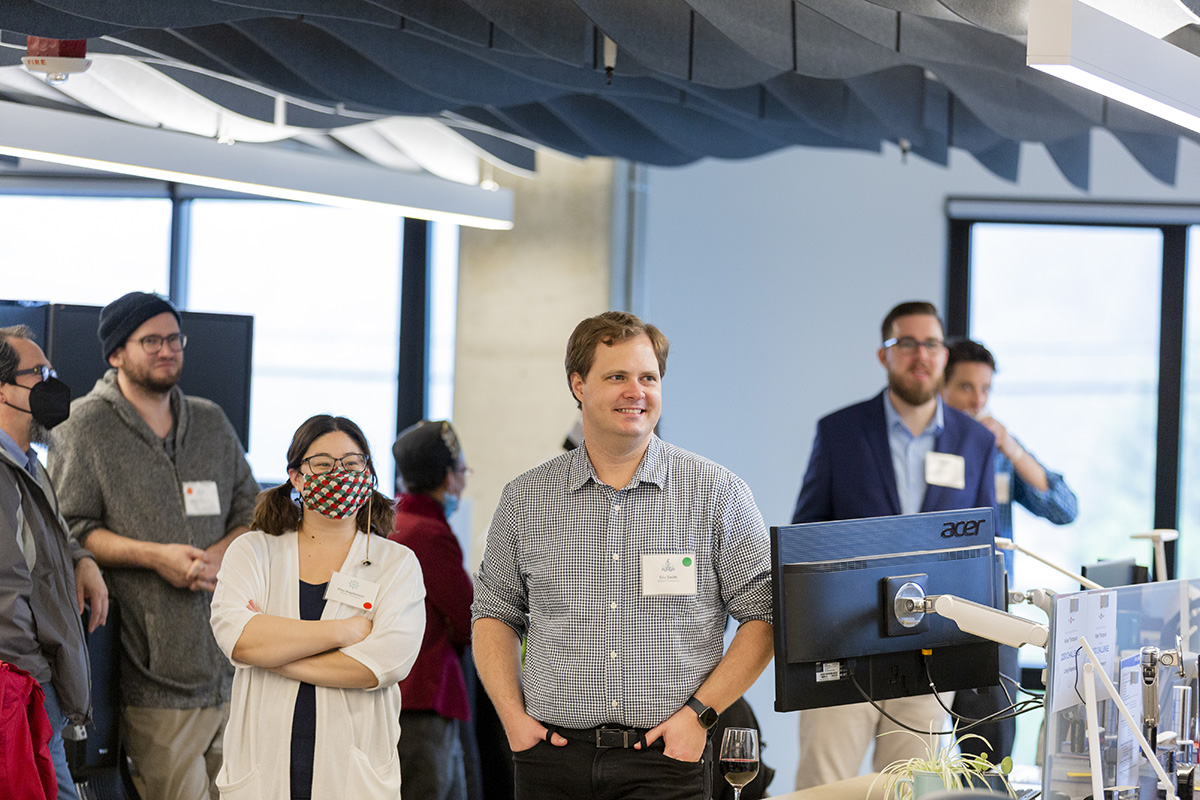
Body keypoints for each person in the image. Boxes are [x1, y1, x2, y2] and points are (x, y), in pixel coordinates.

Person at [472, 310, 774, 800]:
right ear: (578, 385)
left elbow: (763, 618)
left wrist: (699, 716)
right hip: (550, 760)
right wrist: (511, 718)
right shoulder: (526, 498)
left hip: (667, 759)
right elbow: (493, 614)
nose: (636, 392)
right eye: (617, 377)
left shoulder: (717, 493)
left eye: (648, 378)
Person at [48, 292, 260, 800]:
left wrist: (222, 553)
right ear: (116, 353)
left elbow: (252, 508)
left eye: (174, 339)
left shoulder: (211, 421)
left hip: (233, 669)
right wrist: (155, 557)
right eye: (151, 341)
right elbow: (69, 527)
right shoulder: (83, 426)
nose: (167, 350)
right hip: (154, 678)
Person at [791, 301, 997, 790]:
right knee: (825, 785)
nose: (920, 355)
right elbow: (806, 538)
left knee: (915, 788)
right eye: (906, 343)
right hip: (845, 647)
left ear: (944, 356)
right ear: (884, 355)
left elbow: (984, 548)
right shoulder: (840, 431)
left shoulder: (974, 441)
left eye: (931, 344)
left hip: (930, 651)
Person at [209, 414, 426, 800]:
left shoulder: (396, 563)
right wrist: (343, 632)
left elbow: (383, 663)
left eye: (352, 464)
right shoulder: (253, 552)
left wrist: (272, 655)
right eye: (323, 465)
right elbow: (238, 638)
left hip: (352, 776)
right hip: (261, 772)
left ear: (368, 474)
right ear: (295, 477)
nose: (339, 475)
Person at [941, 338, 1078, 761]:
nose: (977, 400)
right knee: (916, 741)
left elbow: (1064, 507)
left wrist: (1011, 447)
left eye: (985, 389)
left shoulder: (998, 451)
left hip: (992, 609)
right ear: (941, 387)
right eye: (966, 387)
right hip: (932, 608)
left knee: (991, 745)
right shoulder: (927, 446)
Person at [0, 325, 108, 800]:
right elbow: (5, 590)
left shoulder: (29, 464)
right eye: (39, 374)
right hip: (23, 690)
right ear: (2, 389)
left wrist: (82, 559)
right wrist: (38, 678)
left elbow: (52, 535)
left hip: (34, 689)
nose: (53, 384)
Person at [389, 419, 474, 800]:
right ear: (447, 478)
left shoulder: (393, 523)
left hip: (396, 695)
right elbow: (469, 619)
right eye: (462, 472)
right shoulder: (430, 532)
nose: (464, 483)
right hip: (424, 697)